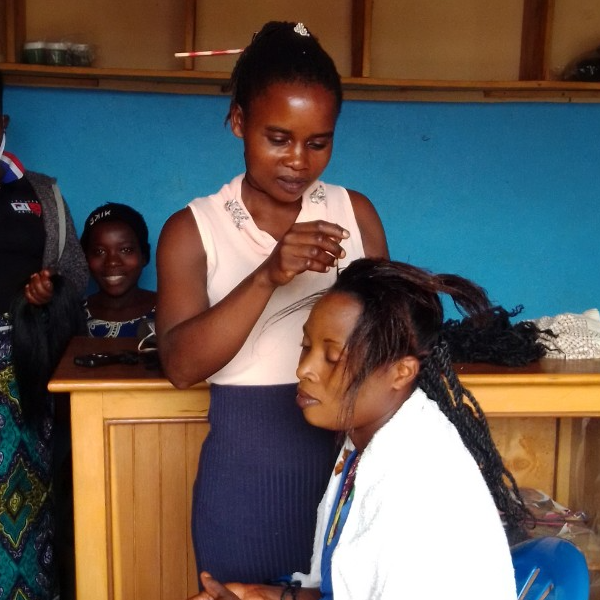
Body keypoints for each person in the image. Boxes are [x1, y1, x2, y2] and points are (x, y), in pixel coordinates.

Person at [156, 21, 388, 585]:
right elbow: (181, 367)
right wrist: (268, 276)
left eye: (318, 142)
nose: (299, 162)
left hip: (352, 476)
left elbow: (388, 345)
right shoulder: (194, 230)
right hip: (245, 487)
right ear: (239, 122)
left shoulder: (355, 214)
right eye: (278, 138)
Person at [194, 258, 530, 600]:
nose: (304, 369)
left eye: (333, 357)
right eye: (306, 347)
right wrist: (256, 594)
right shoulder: (368, 444)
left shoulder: (419, 491)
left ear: (401, 372)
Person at [0, 72, 88, 600]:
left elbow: (74, 274)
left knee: (25, 504)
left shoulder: (40, 193)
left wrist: (46, 292)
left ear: (2, 124)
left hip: (21, 372)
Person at [80, 202, 156, 337]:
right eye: (99, 251)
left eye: (126, 250)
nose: (112, 262)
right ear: (85, 258)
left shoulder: (168, 310)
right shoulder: (74, 315)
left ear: (144, 255)